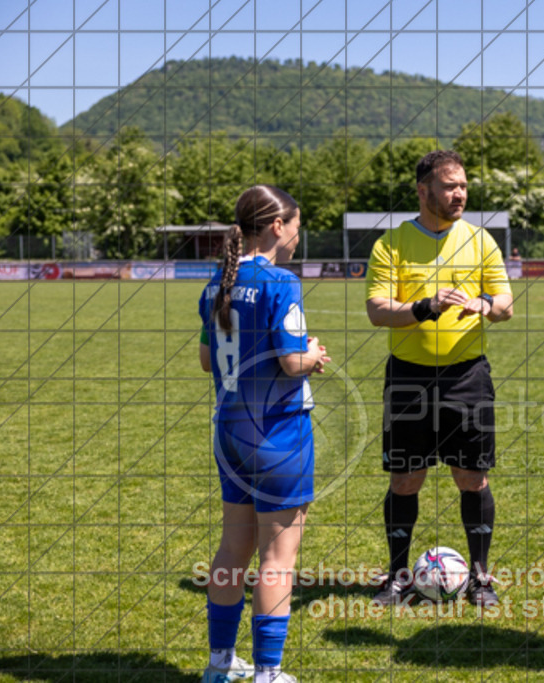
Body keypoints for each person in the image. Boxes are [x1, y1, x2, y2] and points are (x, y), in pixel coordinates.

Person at [365, 150, 514, 607]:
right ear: (423, 190)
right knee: (405, 480)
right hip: (409, 379)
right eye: (450, 185)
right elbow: (376, 310)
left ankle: (481, 578)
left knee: (473, 478)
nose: (459, 194)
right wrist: (423, 307)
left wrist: (485, 306)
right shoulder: (391, 244)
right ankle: (398, 575)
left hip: (467, 377)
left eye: (463, 185)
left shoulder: (481, 240)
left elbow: (506, 302)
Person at [198, 185, 330, 683]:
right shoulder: (281, 282)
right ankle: (268, 673)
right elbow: (293, 361)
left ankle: (218, 666)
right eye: (297, 226)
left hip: (229, 430)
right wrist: (313, 356)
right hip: (277, 433)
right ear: (278, 226)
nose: (298, 237)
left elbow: (208, 359)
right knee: (278, 555)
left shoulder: (218, 282)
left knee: (233, 548)